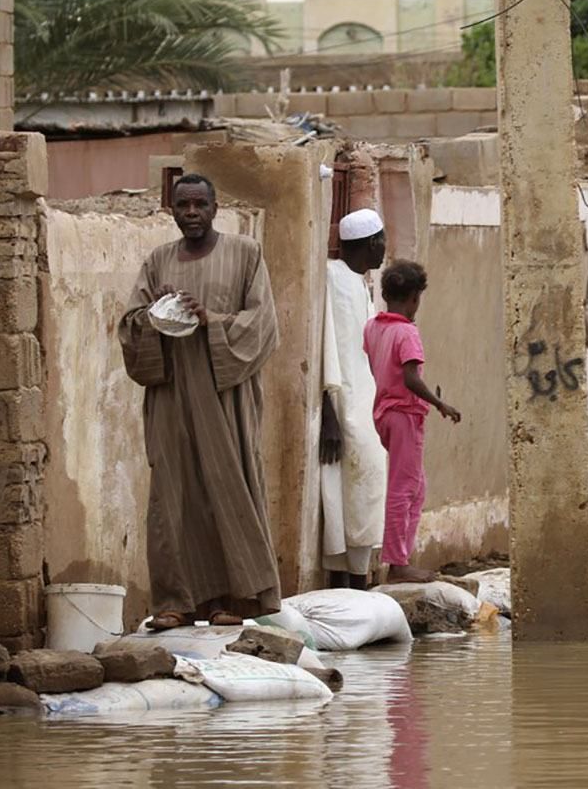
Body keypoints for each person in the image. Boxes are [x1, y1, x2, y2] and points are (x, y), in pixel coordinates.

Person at [119, 173, 281, 630]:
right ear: (171, 210)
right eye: (182, 206)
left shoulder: (245, 254)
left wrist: (212, 320)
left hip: (225, 392)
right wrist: (155, 317)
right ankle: (176, 602)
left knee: (229, 490)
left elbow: (263, 322)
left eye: (199, 205)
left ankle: (237, 598)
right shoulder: (157, 262)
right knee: (172, 495)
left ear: (214, 208)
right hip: (171, 393)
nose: (191, 213)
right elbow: (130, 323)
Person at [363, 260, 462, 583]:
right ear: (414, 298)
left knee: (417, 489)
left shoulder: (374, 327)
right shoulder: (406, 332)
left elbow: (378, 364)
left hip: (386, 413)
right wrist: (439, 403)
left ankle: (402, 556)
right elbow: (409, 377)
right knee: (404, 489)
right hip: (404, 414)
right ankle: (397, 563)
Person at [320, 208, 390, 590]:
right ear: (370, 244)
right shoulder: (333, 278)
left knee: (365, 490)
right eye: (381, 243)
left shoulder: (361, 283)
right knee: (345, 491)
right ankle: (345, 586)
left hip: (366, 404)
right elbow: (327, 343)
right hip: (343, 402)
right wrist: (330, 409)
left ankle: (358, 582)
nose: (384, 251)